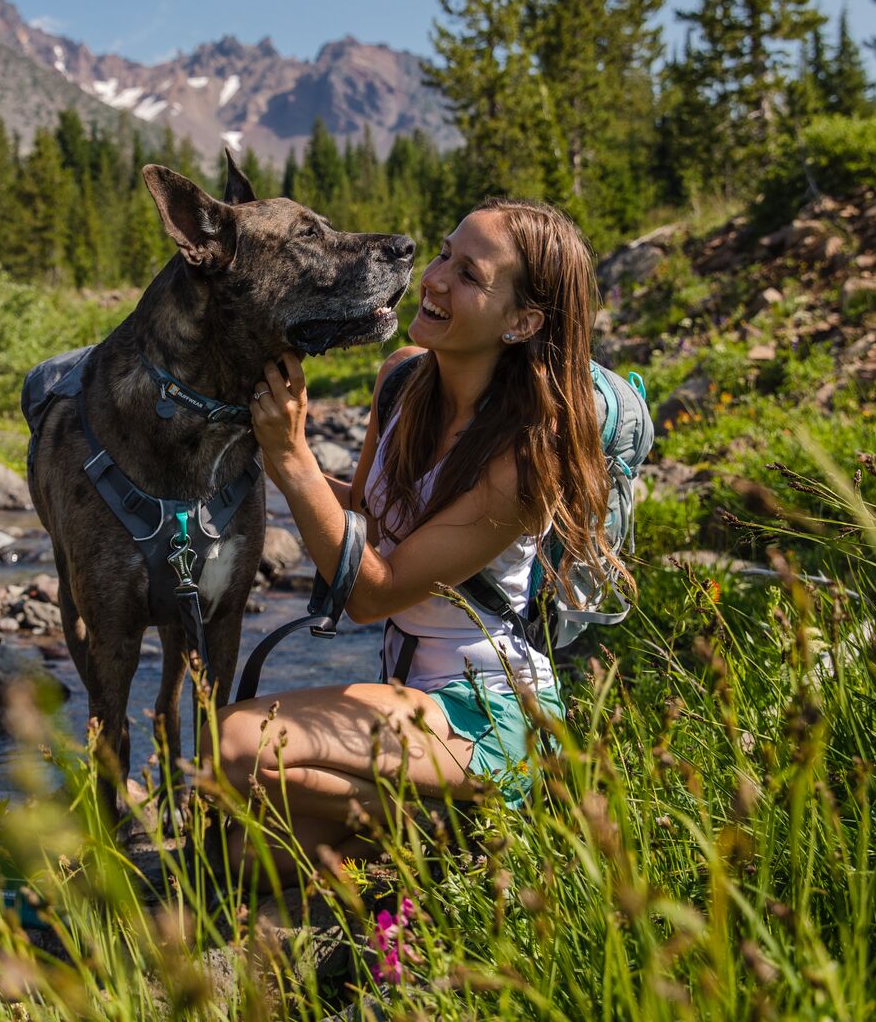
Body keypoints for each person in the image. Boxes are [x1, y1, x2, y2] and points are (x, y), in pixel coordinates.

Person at [214, 197, 625, 876]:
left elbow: (372, 593)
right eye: (442, 254)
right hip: (407, 697)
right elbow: (367, 524)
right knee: (239, 857)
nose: (433, 279)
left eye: (470, 274)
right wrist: (256, 452)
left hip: (488, 714)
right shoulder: (402, 377)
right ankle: (424, 827)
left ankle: (465, 809)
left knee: (233, 743)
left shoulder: (528, 458)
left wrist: (293, 459)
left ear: (523, 321)